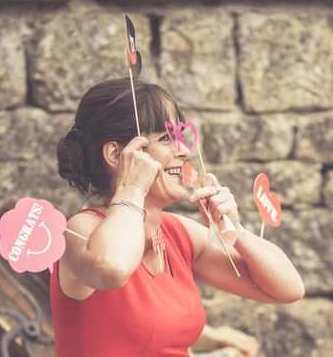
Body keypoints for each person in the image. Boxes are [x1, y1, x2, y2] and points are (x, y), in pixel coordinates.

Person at [51, 78, 304, 357]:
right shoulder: (81, 228)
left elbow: (289, 289)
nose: (184, 150)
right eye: (164, 138)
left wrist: (236, 231)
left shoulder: (175, 231)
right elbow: (112, 269)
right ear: (116, 154)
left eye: (180, 134)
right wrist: (132, 187)